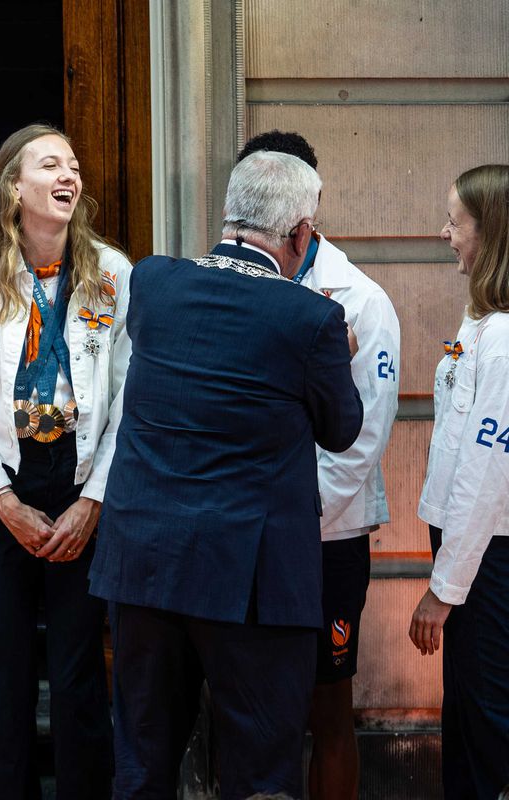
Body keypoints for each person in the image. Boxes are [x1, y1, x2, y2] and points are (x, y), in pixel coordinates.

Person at [89, 151, 363, 799]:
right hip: (252, 582)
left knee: (142, 764)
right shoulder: (312, 320)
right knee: (260, 775)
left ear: (226, 215)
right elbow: (341, 429)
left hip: (146, 564)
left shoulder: (153, 284)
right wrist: (338, 353)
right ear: (301, 234)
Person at [0, 123, 129, 799]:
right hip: (0, 490)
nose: (69, 174)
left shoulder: (111, 272)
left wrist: (94, 502)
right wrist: (2, 501)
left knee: (79, 677)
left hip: (80, 489)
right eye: (51, 164)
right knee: (5, 677)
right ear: (16, 187)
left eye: (74, 164)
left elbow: (130, 398)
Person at [238, 131, 401, 800]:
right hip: (246, 538)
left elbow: (360, 444)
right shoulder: (231, 286)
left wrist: (292, 521)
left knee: (328, 711)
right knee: (254, 714)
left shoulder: (361, 300)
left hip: (324, 542)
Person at [410, 164, 509, 799]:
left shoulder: (501, 339)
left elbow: (485, 471)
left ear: (492, 233)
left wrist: (443, 591)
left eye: (457, 222)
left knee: (488, 723)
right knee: (469, 717)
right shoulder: (481, 321)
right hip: (470, 550)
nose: (445, 233)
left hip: (487, 558)